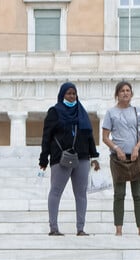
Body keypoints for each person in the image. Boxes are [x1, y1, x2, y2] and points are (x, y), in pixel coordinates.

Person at [39, 82, 100, 236]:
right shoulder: (55, 112)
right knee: (56, 191)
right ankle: (53, 227)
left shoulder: (81, 112)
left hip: (82, 157)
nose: (72, 96)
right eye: (68, 93)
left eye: (74, 93)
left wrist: (94, 155)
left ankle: (80, 228)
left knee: (81, 194)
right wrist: (43, 159)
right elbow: (46, 137)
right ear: (62, 95)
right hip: (61, 158)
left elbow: (88, 135)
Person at [102, 81, 140, 236]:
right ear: (117, 94)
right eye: (122, 90)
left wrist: (137, 147)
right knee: (119, 194)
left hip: (135, 156)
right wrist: (116, 148)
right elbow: (105, 137)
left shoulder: (138, 111)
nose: (125, 93)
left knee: (138, 194)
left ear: (131, 93)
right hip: (118, 158)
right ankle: (118, 229)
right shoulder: (111, 112)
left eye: (128, 90)